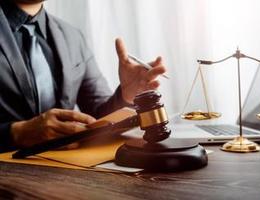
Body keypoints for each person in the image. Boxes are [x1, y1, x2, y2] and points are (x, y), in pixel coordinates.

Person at [0, 0, 167, 151]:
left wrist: (126, 96)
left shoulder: (72, 35)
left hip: (67, 171)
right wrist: (17, 133)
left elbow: (98, 116)